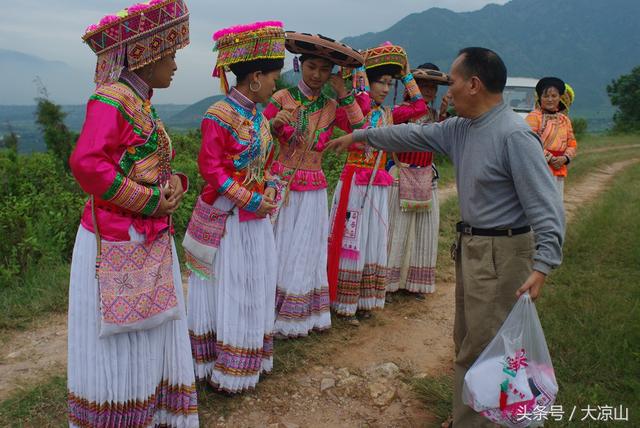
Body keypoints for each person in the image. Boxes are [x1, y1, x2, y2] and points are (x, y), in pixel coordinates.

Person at [327, 47, 564, 426]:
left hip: (503, 254)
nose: (447, 90)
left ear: (474, 84)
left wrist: (544, 264)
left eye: (451, 82)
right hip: (471, 247)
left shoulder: (514, 135)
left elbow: (546, 205)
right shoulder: (461, 128)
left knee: (490, 346)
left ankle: (483, 420)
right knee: (468, 340)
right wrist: (360, 135)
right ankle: (467, 415)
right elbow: (410, 133)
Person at [68, 1, 197, 426]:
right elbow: (87, 163)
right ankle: (119, 411)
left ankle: (142, 406)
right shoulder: (113, 100)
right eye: (171, 55)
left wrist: (173, 180)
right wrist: (146, 201)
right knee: (122, 336)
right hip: (120, 236)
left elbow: (142, 162)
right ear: (146, 53)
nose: (176, 65)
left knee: (146, 330)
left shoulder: (139, 101)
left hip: (145, 236)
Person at [185, 21, 284, 393]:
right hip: (228, 219)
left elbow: (265, 163)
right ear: (255, 77)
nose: (277, 85)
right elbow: (211, 170)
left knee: (253, 283)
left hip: (254, 217)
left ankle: (248, 356)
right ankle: (224, 365)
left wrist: (271, 185)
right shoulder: (218, 115)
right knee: (231, 285)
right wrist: (252, 199)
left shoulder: (259, 116)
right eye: (274, 77)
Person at [263, 32, 367, 337]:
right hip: (280, 185)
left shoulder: (333, 106)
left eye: (324, 69)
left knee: (307, 248)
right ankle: (269, 308)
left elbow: (361, 131)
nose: (317, 75)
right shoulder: (280, 98)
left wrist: (345, 94)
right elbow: (256, 136)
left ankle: (298, 314)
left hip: (314, 188)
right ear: (300, 65)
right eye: (311, 67)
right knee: (278, 246)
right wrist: (272, 124)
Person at [326, 42, 426, 324]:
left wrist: (407, 76)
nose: (384, 88)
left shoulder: (390, 114)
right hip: (355, 185)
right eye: (379, 81)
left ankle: (365, 300)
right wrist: (355, 86)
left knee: (372, 240)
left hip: (377, 185)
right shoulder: (354, 107)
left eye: (388, 83)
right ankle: (343, 302)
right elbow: (358, 123)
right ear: (365, 81)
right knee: (351, 241)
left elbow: (419, 107)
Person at [386, 63, 450, 299]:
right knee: (397, 230)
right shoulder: (400, 112)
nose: (428, 92)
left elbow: (443, 141)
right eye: (423, 86)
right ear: (411, 87)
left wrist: (444, 113)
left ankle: (414, 283)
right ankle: (389, 284)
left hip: (426, 176)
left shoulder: (433, 116)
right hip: (400, 174)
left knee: (424, 230)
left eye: (432, 88)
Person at [526, 77, 577, 195]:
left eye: (554, 96)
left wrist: (565, 158)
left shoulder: (565, 120)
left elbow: (572, 143)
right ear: (540, 98)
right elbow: (530, 142)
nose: (550, 99)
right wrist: (550, 158)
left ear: (560, 98)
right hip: (539, 169)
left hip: (559, 169)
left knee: (556, 202)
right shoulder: (534, 117)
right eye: (546, 96)